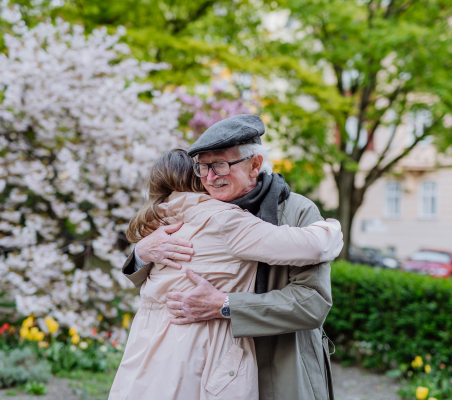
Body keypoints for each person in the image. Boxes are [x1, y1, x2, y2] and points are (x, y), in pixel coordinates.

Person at [122, 114, 337, 400]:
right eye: (203, 167)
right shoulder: (196, 210)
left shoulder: (297, 212)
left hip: (281, 365)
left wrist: (225, 305)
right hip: (208, 370)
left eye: (220, 165)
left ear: (255, 165)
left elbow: (312, 303)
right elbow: (168, 285)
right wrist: (140, 252)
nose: (210, 177)